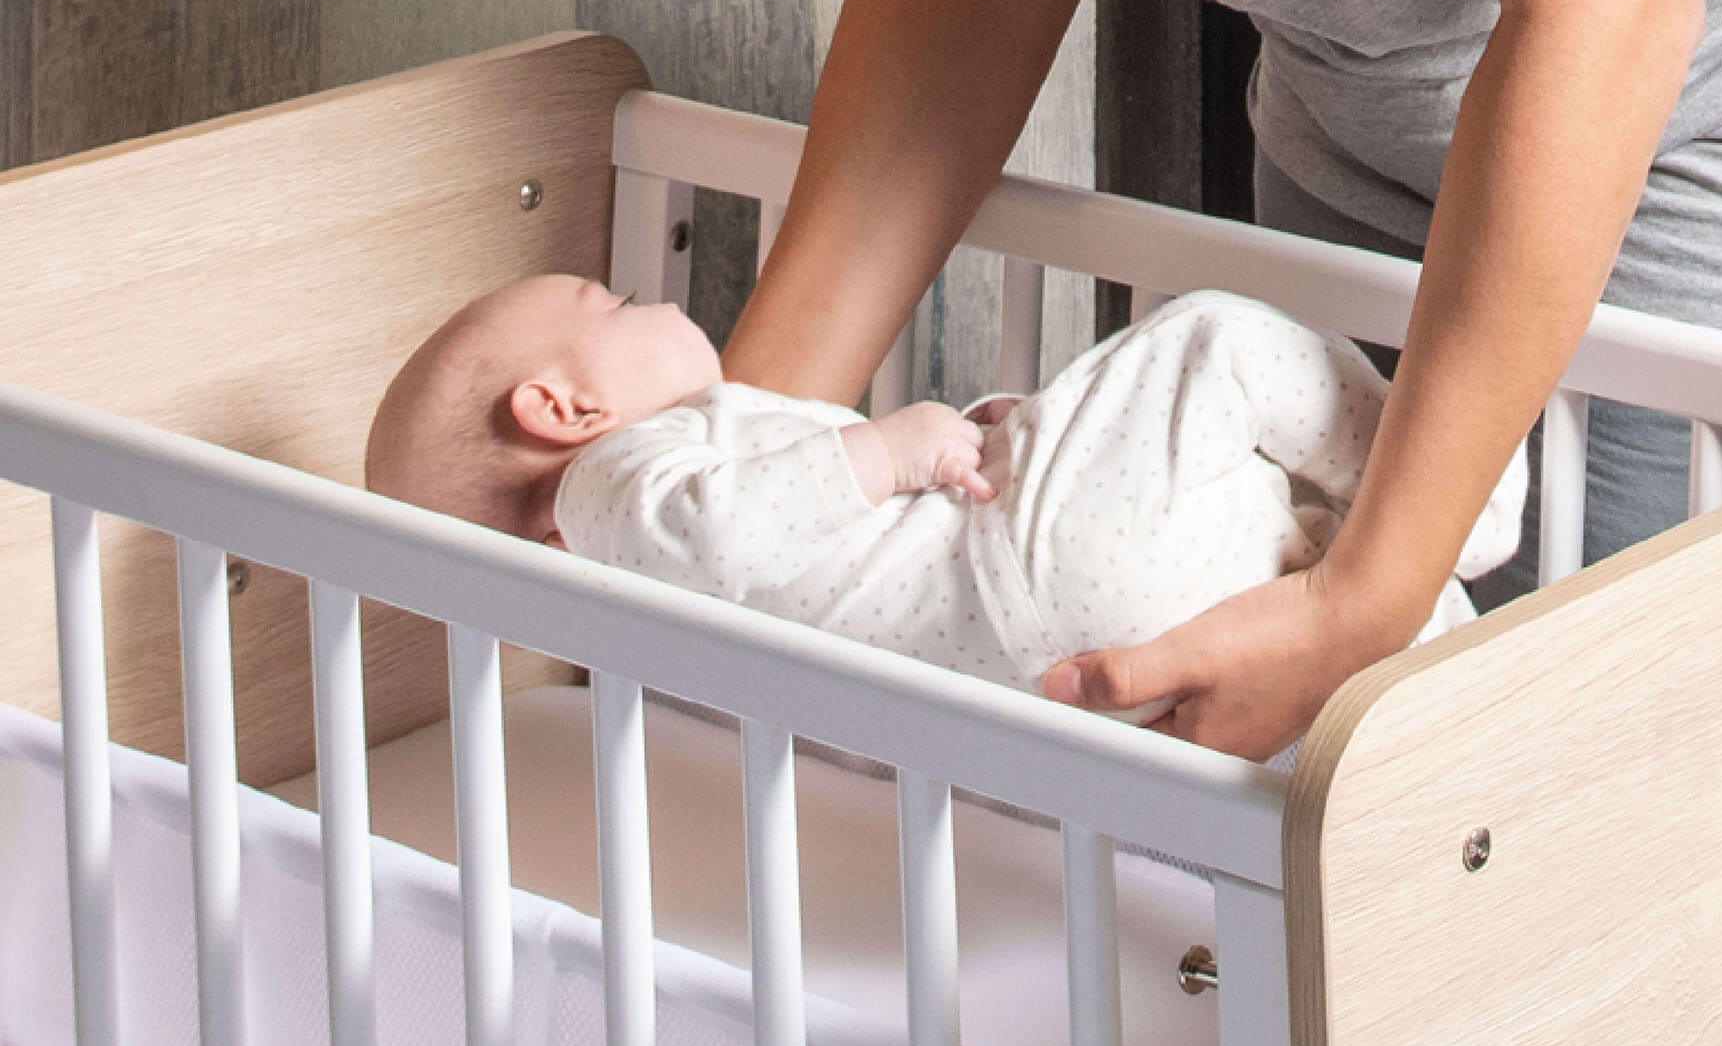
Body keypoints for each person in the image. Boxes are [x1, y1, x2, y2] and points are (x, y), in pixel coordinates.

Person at [718, 0, 1722, 759]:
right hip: (1360, 147)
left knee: (1572, 855)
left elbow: (1609, 18)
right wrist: (720, 468)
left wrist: (1364, 600)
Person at [364, 274, 1525, 755]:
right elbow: (723, 529)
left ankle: (1444, 666)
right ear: (562, 407)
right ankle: (1456, 503)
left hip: (1053, 658)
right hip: (1035, 564)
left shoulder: (667, 590)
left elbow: (851, 561)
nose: (648, 293)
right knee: (1208, 346)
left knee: (1294, 562)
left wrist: (976, 432)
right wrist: (886, 447)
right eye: (607, 299)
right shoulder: (612, 481)